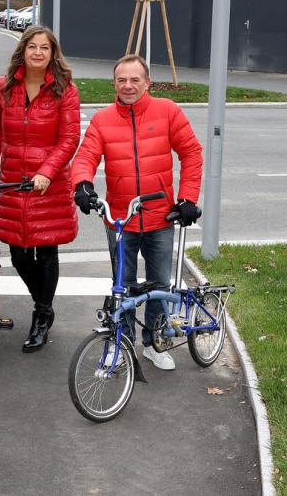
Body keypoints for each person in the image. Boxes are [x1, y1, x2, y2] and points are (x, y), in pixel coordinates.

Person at [70, 54, 203, 371]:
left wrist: (186, 199)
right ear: (114, 83)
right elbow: (85, 157)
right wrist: (82, 185)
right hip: (120, 218)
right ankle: (121, 344)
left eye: (135, 80)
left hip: (160, 217)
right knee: (123, 287)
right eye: (121, 80)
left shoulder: (167, 111)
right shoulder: (103, 120)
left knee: (160, 285)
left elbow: (192, 153)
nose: (128, 86)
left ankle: (155, 343)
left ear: (147, 82)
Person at [0, 25, 80, 352]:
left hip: (47, 184)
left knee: (46, 249)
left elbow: (69, 139)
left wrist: (47, 171)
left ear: (53, 54)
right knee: (19, 252)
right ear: (22, 50)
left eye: (44, 48)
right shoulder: (3, 88)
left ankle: (40, 315)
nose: (38, 52)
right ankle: (45, 305)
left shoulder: (66, 90)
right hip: (12, 180)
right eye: (32, 46)